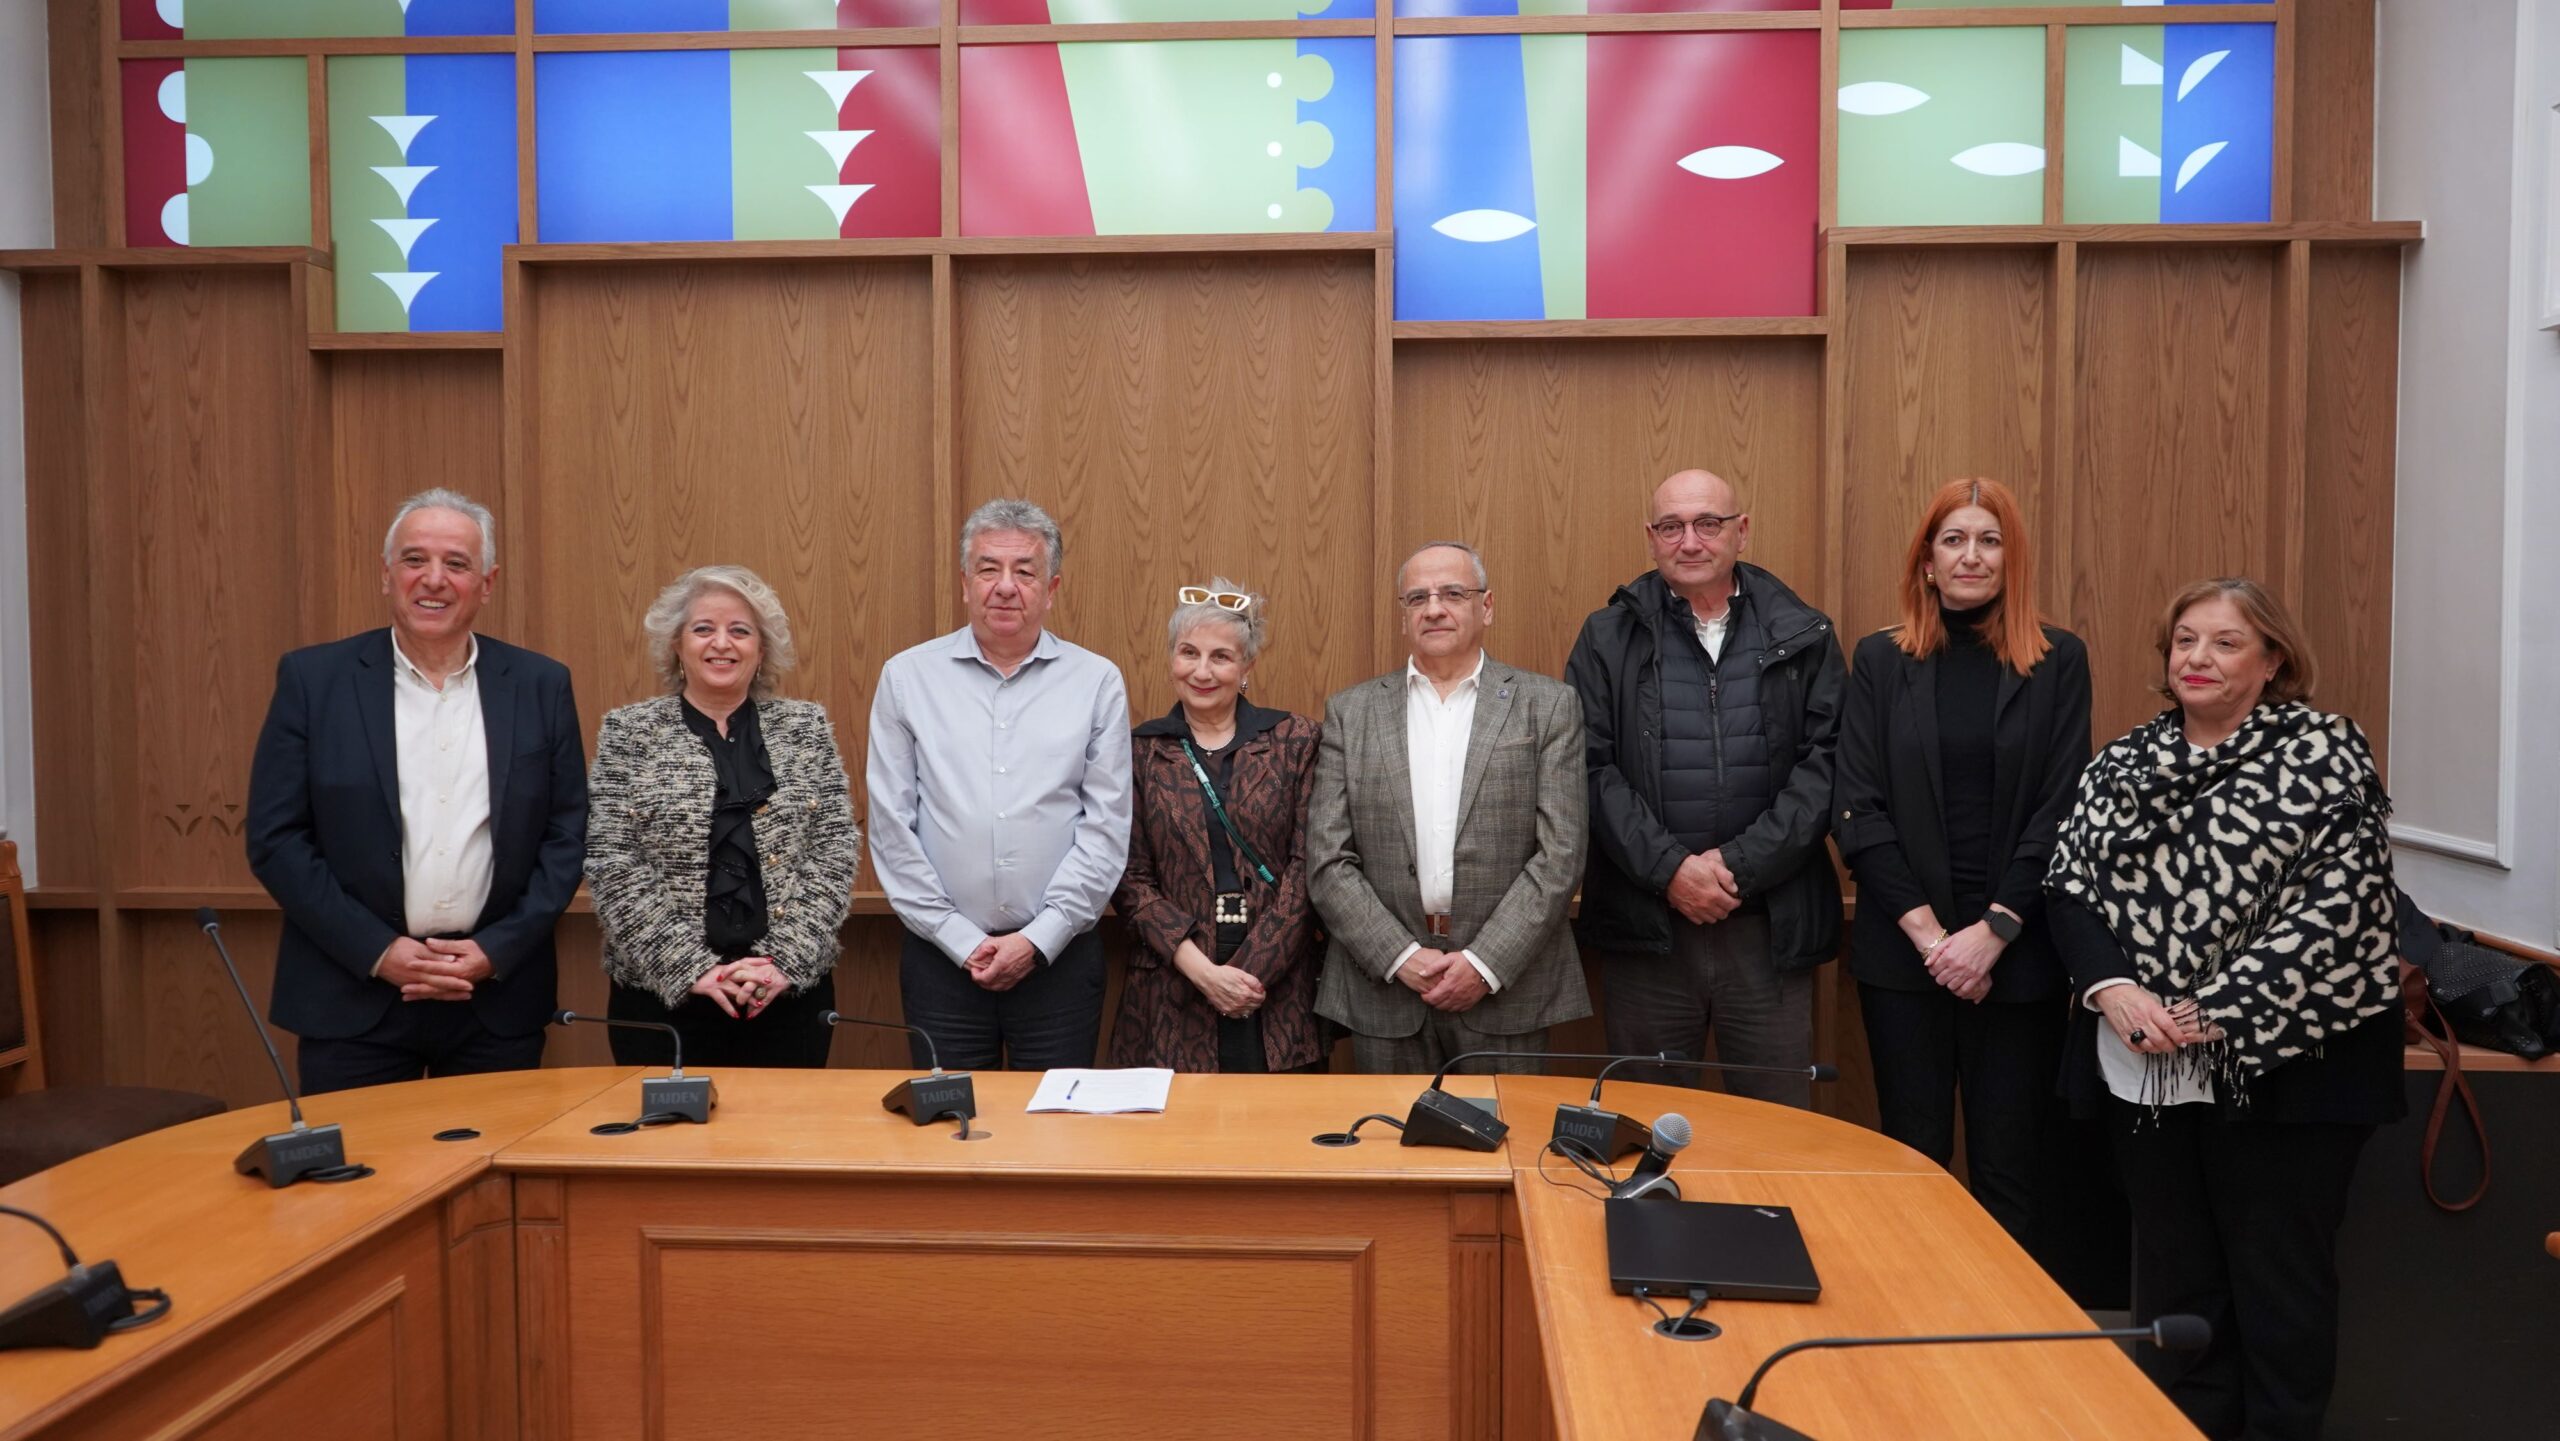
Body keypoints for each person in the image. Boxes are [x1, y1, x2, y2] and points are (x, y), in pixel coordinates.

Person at [2045, 578, 2402, 1441]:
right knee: (2178, 1285)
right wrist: (2114, 989)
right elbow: (2068, 884)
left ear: (2273, 659)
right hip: (2148, 1064)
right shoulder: (2124, 761)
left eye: (2225, 642)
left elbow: (2342, 904)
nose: (2197, 658)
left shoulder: (2324, 751)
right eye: (2185, 640)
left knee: (2280, 1288)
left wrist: (2219, 1008)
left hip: (2290, 1071)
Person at [245, 489, 586, 1094]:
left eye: (456, 563)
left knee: (495, 1156)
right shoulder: (314, 680)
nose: (434, 579)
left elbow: (566, 836)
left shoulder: (541, 684)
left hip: (495, 998)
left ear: (487, 583)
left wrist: (495, 949)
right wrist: (378, 951)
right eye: (414, 560)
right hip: (353, 996)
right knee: (361, 1159)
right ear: (386, 574)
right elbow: (277, 838)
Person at [1833, 478, 2090, 1248]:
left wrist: (1993, 932)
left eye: (1989, 540)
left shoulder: (2059, 660)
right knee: (1912, 1158)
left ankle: (2003, 1322)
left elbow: (2063, 807)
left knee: (2010, 1169)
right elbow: (1857, 806)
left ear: (2013, 559)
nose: (1971, 555)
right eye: (1954, 539)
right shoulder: (1880, 659)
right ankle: (1914, 1317)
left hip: (2018, 956)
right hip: (1905, 954)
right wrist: (1933, 939)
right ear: (1927, 560)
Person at [1564, 469, 1844, 1107]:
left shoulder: (1804, 632)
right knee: (1645, 1125)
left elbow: (1826, 766)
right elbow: (1588, 768)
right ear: (1652, 538)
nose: (1689, 541)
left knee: (1775, 1132)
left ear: (1741, 531)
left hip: (1769, 930)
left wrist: (1738, 865)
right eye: (1672, 527)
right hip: (1649, 930)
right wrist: (1671, 870)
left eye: (1707, 524)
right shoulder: (1607, 636)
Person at [868, 499, 1132, 1071]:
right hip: (941, 961)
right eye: (989, 569)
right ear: (965, 583)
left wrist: (1039, 939)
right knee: (951, 1119)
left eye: (1025, 571)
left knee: (1055, 1122)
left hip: (1060, 961)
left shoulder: (1096, 682)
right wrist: (959, 939)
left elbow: (1106, 829)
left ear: (1051, 588)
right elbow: (892, 828)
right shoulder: (907, 678)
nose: (1006, 587)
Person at [1306, 541, 1589, 1073]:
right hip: (1386, 989)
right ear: (1404, 616)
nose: (1433, 608)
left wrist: (1484, 963)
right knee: (1388, 1131)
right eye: (1418, 598)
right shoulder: (1351, 712)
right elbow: (1327, 858)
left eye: (1452, 594)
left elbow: (1562, 853)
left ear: (1486, 606)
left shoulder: (1548, 705)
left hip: (1508, 990)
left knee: (1504, 1129)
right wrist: (1400, 957)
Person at [584, 566, 859, 1069]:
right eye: (704, 628)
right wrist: (688, 967)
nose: (722, 643)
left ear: (762, 649)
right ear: (677, 645)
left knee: (787, 1123)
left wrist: (783, 961)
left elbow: (833, 851)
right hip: (662, 1000)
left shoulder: (806, 728)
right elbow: (612, 862)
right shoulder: (629, 733)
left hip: (786, 997)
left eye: (740, 630)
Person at [1112, 580, 1324, 1072]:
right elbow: (1129, 879)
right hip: (1174, 986)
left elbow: (1309, 867)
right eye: (1189, 652)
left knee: (1284, 1120)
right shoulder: (1140, 752)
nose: (1202, 671)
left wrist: (1248, 974)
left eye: (1221, 657)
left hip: (1277, 991)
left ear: (1247, 666)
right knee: (1181, 1122)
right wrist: (1205, 974)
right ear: (1172, 658)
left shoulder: (1295, 741)